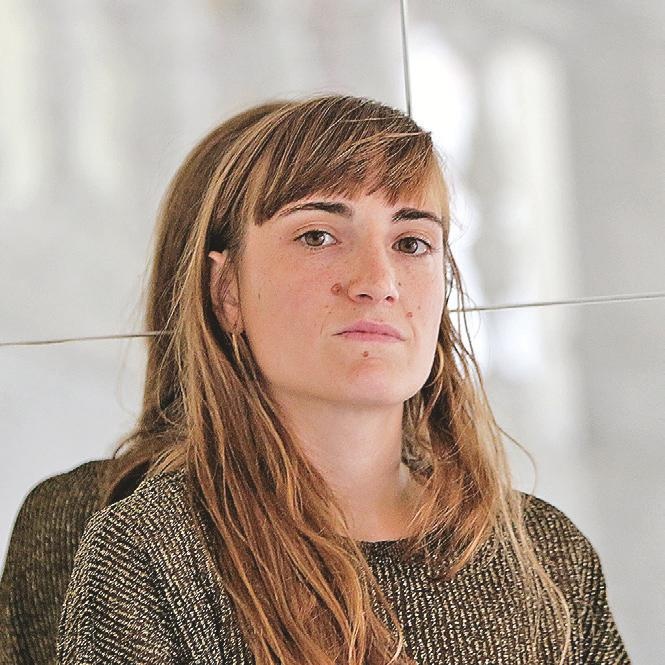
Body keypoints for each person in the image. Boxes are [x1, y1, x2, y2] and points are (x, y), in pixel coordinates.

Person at [6, 94, 631, 664]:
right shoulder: (147, 555)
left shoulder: (548, 554)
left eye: (412, 243)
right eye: (318, 235)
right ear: (226, 291)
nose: (378, 282)